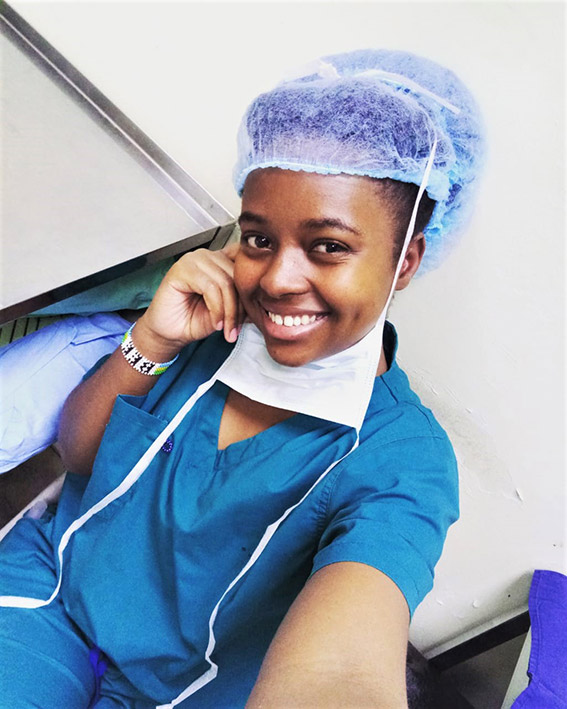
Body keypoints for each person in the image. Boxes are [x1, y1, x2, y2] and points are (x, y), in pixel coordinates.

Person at [0, 48, 484, 707]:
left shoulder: (402, 461)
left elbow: (343, 674)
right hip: (45, 602)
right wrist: (151, 339)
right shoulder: (211, 329)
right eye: (259, 238)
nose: (278, 279)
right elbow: (79, 455)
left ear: (405, 260)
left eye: (329, 246)